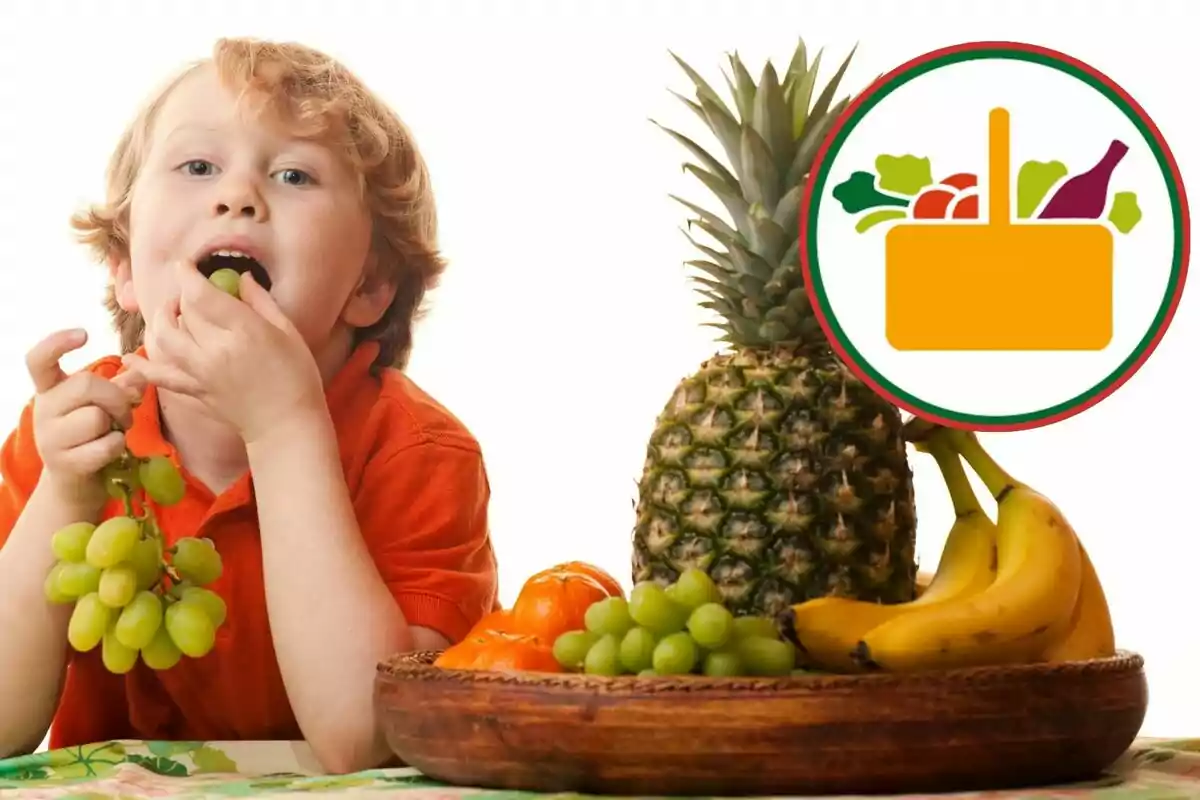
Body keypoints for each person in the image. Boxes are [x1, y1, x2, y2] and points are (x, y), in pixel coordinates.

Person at [0, 37, 499, 773]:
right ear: (123, 264)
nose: (237, 196)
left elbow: (370, 741)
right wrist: (64, 492)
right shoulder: (72, 432)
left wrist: (285, 428)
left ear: (370, 285)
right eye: (197, 166)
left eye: (295, 174)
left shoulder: (420, 455)